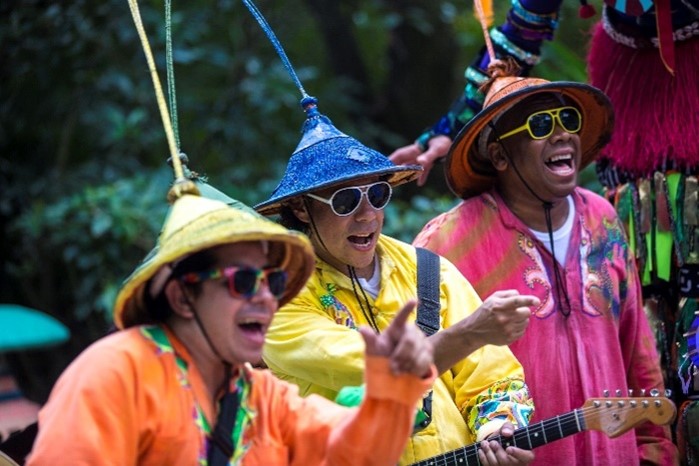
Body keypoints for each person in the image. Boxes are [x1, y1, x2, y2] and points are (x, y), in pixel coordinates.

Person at [25, 189, 437, 465]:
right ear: (181, 297)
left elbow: (355, 455)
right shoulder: (114, 372)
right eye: (241, 281)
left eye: (273, 282)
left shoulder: (264, 396)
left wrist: (392, 391)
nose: (265, 298)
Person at [413, 60, 678, 465]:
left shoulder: (603, 219)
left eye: (568, 119)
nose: (562, 134)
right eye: (540, 125)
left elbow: (636, 350)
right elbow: (420, 380)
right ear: (500, 155)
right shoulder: (447, 242)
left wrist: (656, 450)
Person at [255, 97, 540, 465]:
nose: (367, 216)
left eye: (377, 195)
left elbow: (493, 376)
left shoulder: (428, 270)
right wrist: (472, 331)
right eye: (344, 202)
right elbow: (376, 366)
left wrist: (495, 429)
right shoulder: (279, 297)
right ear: (300, 209)